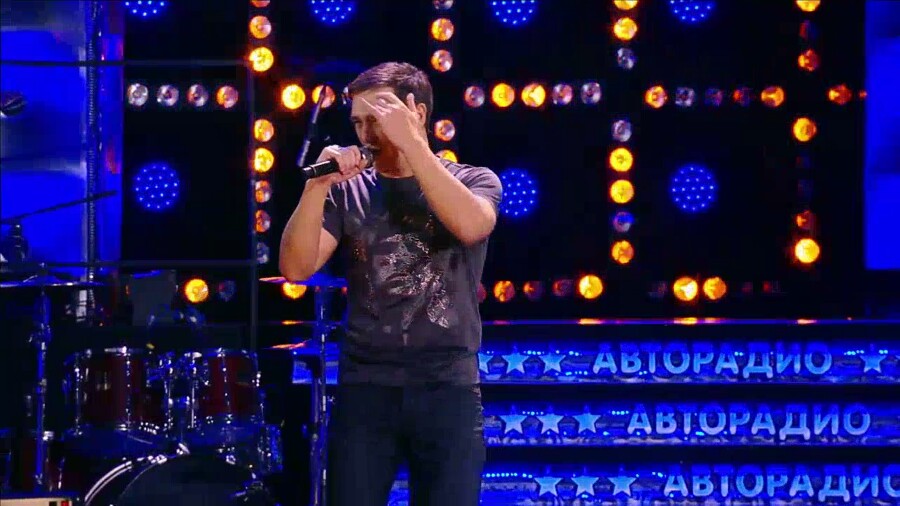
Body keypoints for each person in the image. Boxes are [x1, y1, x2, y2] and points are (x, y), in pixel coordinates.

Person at [278, 62, 503, 506]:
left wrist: (412, 145)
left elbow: (472, 225)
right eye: (358, 123)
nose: (367, 134)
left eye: (377, 119)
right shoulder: (348, 191)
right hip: (366, 389)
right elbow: (296, 269)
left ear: (417, 112)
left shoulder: (473, 180)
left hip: (447, 388)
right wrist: (316, 187)